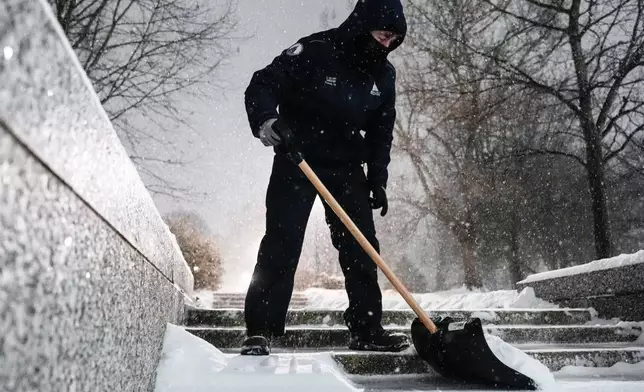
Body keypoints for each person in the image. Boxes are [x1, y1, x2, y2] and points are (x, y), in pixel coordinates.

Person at [241, 0, 408, 355]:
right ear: (364, 26)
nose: (385, 45)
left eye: (392, 40)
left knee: (362, 247)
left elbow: (382, 130)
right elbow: (264, 82)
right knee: (282, 243)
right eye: (381, 35)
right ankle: (261, 329)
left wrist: (377, 178)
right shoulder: (316, 50)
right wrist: (267, 120)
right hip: (297, 159)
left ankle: (367, 329)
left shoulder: (384, 76)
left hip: (347, 167)